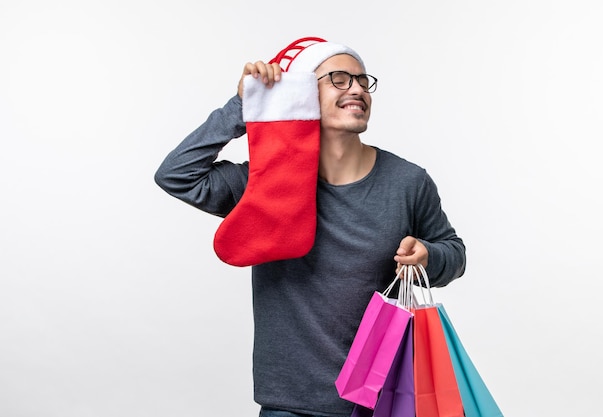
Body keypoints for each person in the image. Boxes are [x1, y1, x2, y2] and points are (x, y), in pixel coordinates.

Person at [154, 37, 466, 417]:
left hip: (384, 399)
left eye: (361, 80)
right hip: (291, 404)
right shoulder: (265, 183)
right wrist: (244, 105)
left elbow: (454, 252)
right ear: (300, 93)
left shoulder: (407, 182)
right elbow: (177, 175)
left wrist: (429, 255)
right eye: (337, 78)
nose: (355, 88)